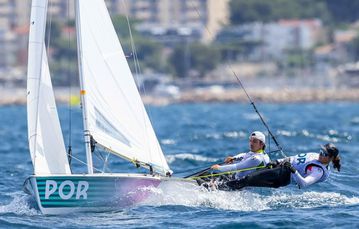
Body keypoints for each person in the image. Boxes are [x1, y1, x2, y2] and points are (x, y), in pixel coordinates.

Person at [225, 143, 341, 190]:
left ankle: (224, 187)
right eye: (321, 151)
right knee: (247, 172)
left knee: (249, 179)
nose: (321, 154)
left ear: (330, 158)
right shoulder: (314, 155)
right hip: (281, 167)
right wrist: (277, 161)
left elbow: (304, 183)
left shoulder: (318, 171)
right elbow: (293, 158)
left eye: (324, 154)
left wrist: (293, 170)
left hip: (283, 176)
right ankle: (225, 181)